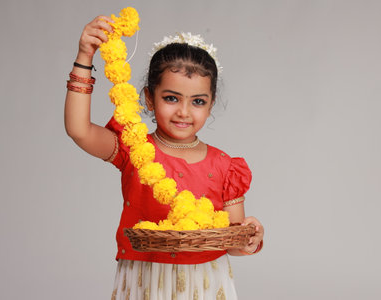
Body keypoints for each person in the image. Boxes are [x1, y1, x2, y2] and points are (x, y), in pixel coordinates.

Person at [64, 14, 264, 300]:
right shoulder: (132, 148)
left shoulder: (225, 166)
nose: (184, 112)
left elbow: (232, 243)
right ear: (149, 97)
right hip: (145, 280)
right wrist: (85, 57)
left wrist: (250, 236)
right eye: (171, 98)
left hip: (204, 284)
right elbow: (78, 130)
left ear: (210, 104)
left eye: (197, 101)